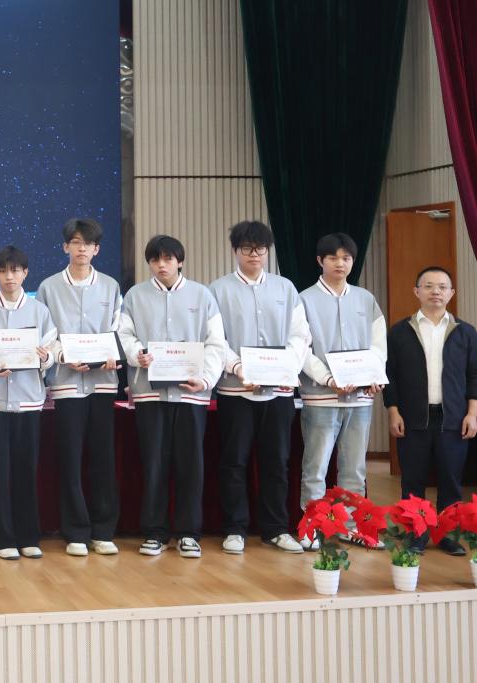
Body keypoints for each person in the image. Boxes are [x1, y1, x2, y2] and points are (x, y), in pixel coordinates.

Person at [118, 235, 225, 559]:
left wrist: (205, 378)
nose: (161, 265)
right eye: (155, 259)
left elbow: (216, 343)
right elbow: (125, 334)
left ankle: (189, 533)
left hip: (191, 395)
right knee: (154, 463)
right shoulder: (135, 296)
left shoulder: (202, 296)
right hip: (150, 394)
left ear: (180, 261)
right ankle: (155, 532)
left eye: (168, 259)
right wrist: (138, 354)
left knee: (191, 465)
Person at [208, 221, 310, 555]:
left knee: (276, 461)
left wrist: (286, 368)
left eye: (261, 249)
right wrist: (238, 367)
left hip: (278, 393)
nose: (255, 255)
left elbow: (300, 336)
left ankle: (276, 529)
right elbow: (215, 340)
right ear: (235, 251)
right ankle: (235, 529)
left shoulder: (286, 288)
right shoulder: (217, 290)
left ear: (268, 252)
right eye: (247, 249)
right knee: (234, 461)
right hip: (236, 391)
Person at [36, 218, 122, 557]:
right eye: (75, 242)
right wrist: (62, 356)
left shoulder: (111, 286)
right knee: (70, 460)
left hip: (102, 384)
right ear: (65, 247)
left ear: (96, 249)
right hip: (66, 384)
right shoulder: (48, 287)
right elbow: (45, 335)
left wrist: (114, 354)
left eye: (88, 243)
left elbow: (118, 329)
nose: (81, 248)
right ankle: (75, 531)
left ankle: (103, 530)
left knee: (103, 458)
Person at [297, 233, 386, 550]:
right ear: (320, 261)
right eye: (333, 257)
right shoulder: (303, 299)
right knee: (316, 468)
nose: (340, 263)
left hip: (360, 399)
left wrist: (374, 375)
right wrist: (327, 378)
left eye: (346, 258)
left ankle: (351, 526)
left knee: (355, 469)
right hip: (321, 397)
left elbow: (378, 345)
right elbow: (300, 348)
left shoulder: (365, 299)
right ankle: (313, 528)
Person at [0, 245, 57, 560]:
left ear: (25, 273)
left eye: (16, 270)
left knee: (25, 470)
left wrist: (45, 357)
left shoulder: (39, 311)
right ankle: (2, 538)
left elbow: (52, 349)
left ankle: (28, 536)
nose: (10, 276)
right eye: (3, 271)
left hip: (29, 400)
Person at [384, 266, 477, 555]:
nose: (435, 291)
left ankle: (446, 535)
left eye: (442, 287)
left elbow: (474, 375)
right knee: (413, 479)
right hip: (412, 418)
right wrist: (393, 411)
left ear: (451, 293)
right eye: (428, 286)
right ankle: (416, 534)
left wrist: (472, 413)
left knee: (451, 480)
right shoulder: (400, 332)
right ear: (417, 291)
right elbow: (390, 376)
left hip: (454, 418)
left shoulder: (466, 332)